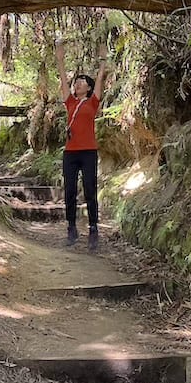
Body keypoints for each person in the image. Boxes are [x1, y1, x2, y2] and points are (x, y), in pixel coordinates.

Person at [54, 37, 108, 251]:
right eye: (76, 82)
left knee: (90, 189)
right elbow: (62, 76)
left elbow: (101, 76)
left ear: (89, 87)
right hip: (70, 153)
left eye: (82, 81)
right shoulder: (70, 101)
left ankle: (94, 229)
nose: (78, 83)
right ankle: (71, 228)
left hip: (88, 152)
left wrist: (103, 59)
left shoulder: (93, 102)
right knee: (69, 191)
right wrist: (60, 58)